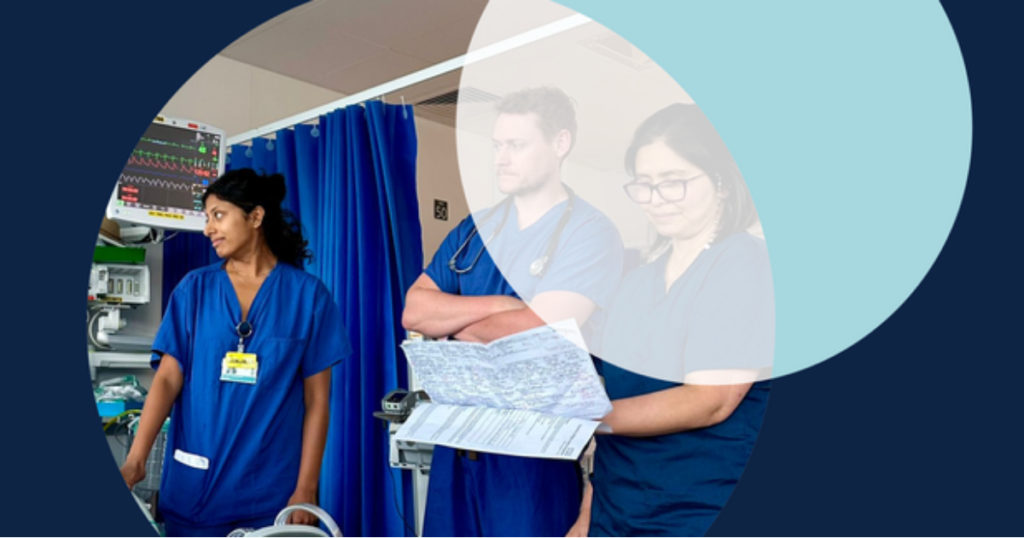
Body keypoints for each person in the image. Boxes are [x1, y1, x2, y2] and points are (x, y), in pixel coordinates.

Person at [403, 87, 624, 537]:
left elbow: (540, 331)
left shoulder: (590, 232)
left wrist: (453, 324)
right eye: (497, 145)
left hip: (533, 456)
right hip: (456, 446)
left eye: (516, 145)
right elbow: (414, 311)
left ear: (560, 143)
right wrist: (505, 306)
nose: (501, 159)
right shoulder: (474, 230)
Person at [568, 103, 774, 537]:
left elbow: (710, 400)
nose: (655, 199)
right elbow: (617, 408)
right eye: (643, 185)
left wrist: (575, 418)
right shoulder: (635, 283)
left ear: (720, 182)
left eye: (673, 182)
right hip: (616, 509)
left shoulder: (742, 262)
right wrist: (586, 516)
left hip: (700, 507)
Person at [120, 169, 351, 537]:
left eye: (218, 215)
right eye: (207, 218)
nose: (208, 229)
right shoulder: (194, 290)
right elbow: (166, 379)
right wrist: (136, 460)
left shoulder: (308, 297)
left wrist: (306, 488)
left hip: (271, 496)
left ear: (255, 217)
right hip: (196, 489)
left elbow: (317, 401)